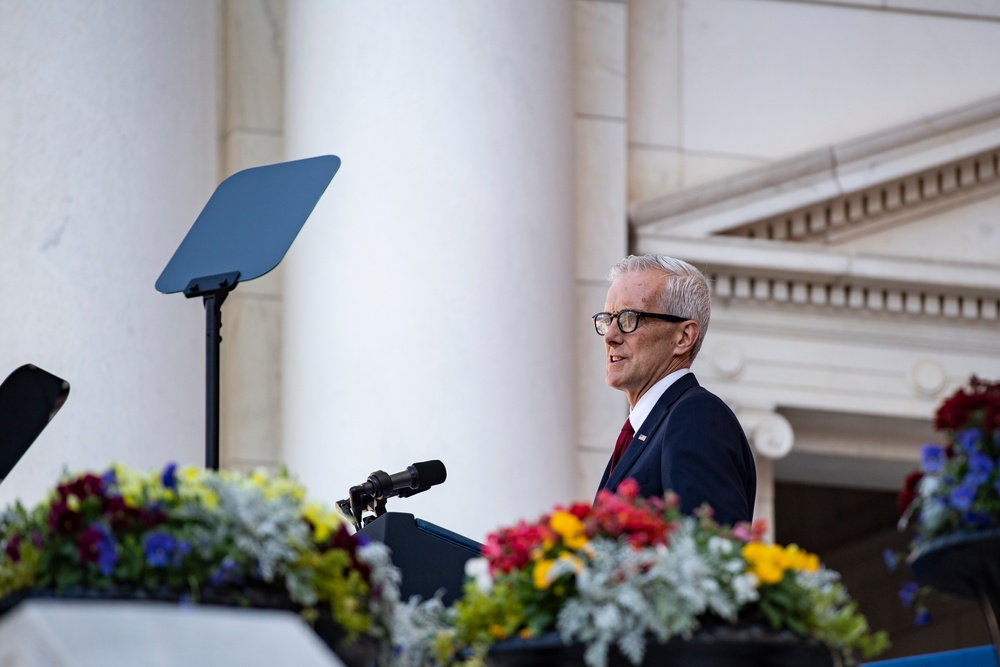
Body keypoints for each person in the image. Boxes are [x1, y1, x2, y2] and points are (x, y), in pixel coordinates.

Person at [593, 254, 756, 526]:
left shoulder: (697, 418)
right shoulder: (647, 429)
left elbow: (710, 551)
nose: (610, 335)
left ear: (683, 337)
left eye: (628, 318)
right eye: (607, 319)